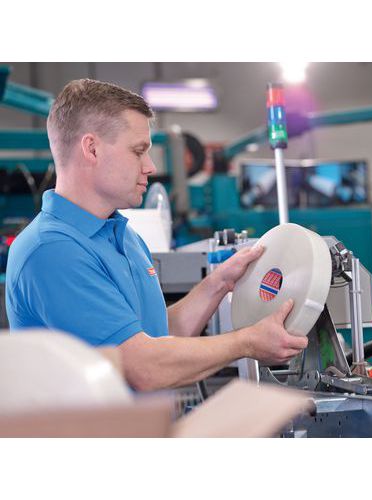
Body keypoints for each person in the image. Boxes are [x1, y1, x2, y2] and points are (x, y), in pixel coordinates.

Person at [5, 79, 308, 391]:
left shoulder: (124, 236)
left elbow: (159, 337)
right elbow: (142, 367)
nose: (150, 167)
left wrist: (218, 284)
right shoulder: (52, 250)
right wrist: (247, 342)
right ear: (91, 149)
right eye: (138, 151)